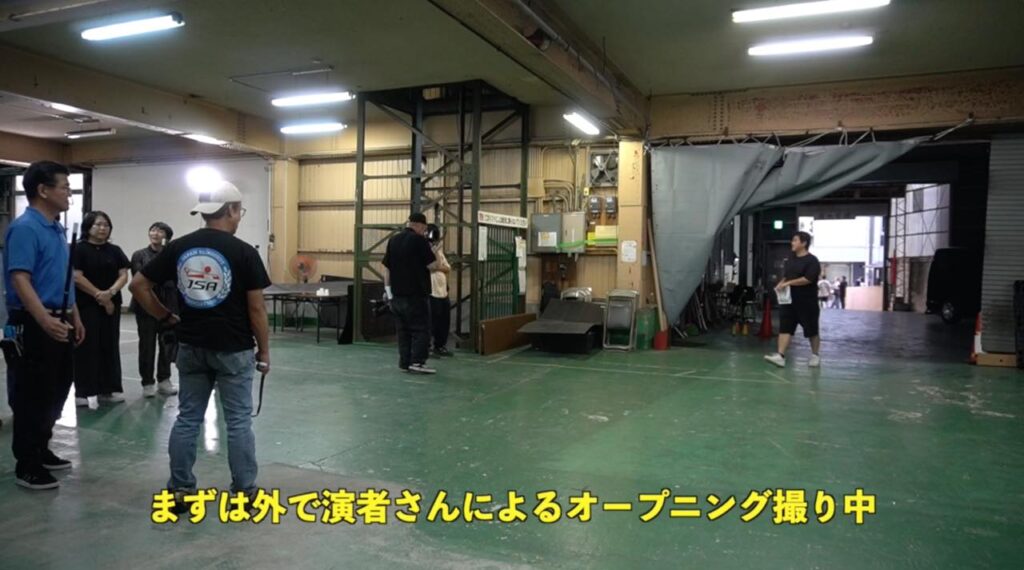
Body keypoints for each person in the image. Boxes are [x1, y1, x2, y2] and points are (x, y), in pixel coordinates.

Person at [129, 180, 271, 507]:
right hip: (234, 348)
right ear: (231, 210)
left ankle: (180, 489)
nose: (240, 217)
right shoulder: (244, 252)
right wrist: (264, 351)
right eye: (240, 211)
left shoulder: (178, 247)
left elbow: (138, 286)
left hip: (190, 346)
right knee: (238, 421)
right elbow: (256, 309)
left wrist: (166, 317)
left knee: (188, 418)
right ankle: (244, 491)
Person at [2, 161, 85, 490]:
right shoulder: (25, 228)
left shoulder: (56, 228)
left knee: (57, 388)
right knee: (31, 393)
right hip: (32, 321)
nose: (69, 194)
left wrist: (74, 314)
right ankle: (27, 463)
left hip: (59, 317)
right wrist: (44, 319)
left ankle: (41, 447)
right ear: (43, 190)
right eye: (64, 187)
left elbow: (62, 278)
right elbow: (20, 279)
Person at [72, 211, 130, 406]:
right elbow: (77, 277)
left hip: (112, 304)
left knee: (109, 344)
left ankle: (108, 389)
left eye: (106, 225)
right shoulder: (78, 249)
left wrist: (110, 293)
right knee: (86, 345)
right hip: (87, 305)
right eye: (98, 224)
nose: (102, 228)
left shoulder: (115, 250)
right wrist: (100, 295)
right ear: (88, 227)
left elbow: (123, 275)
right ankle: (83, 391)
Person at [382, 213, 436, 374]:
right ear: (420, 225)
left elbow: (387, 269)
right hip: (416, 295)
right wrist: (434, 250)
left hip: (396, 295)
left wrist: (388, 292)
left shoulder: (393, 240)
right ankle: (417, 362)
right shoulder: (420, 241)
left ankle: (405, 362)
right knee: (421, 329)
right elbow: (433, 265)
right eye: (424, 229)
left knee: (403, 331)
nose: (424, 231)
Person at [130, 222, 179, 398]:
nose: (155, 233)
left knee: (167, 344)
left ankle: (164, 379)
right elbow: (141, 278)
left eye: (160, 231)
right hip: (146, 306)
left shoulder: (172, 255)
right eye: (153, 230)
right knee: (147, 345)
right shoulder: (139, 255)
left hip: (169, 304)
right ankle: (147, 382)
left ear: (167, 237)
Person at [765, 231, 822, 369]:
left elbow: (808, 279)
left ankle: (815, 355)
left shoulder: (812, 261)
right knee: (785, 328)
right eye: (792, 240)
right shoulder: (791, 259)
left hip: (807, 302)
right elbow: (787, 276)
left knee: (811, 330)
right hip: (789, 301)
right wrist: (781, 284)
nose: (792, 243)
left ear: (804, 243)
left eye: (795, 240)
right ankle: (780, 356)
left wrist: (788, 283)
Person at [426, 223, 453, 357]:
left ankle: (440, 345)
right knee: (431, 322)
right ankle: (427, 347)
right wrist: (438, 264)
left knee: (444, 321)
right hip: (431, 292)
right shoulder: (425, 250)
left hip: (443, 292)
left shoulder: (439, 251)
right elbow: (431, 267)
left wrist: (438, 265)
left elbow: (447, 268)